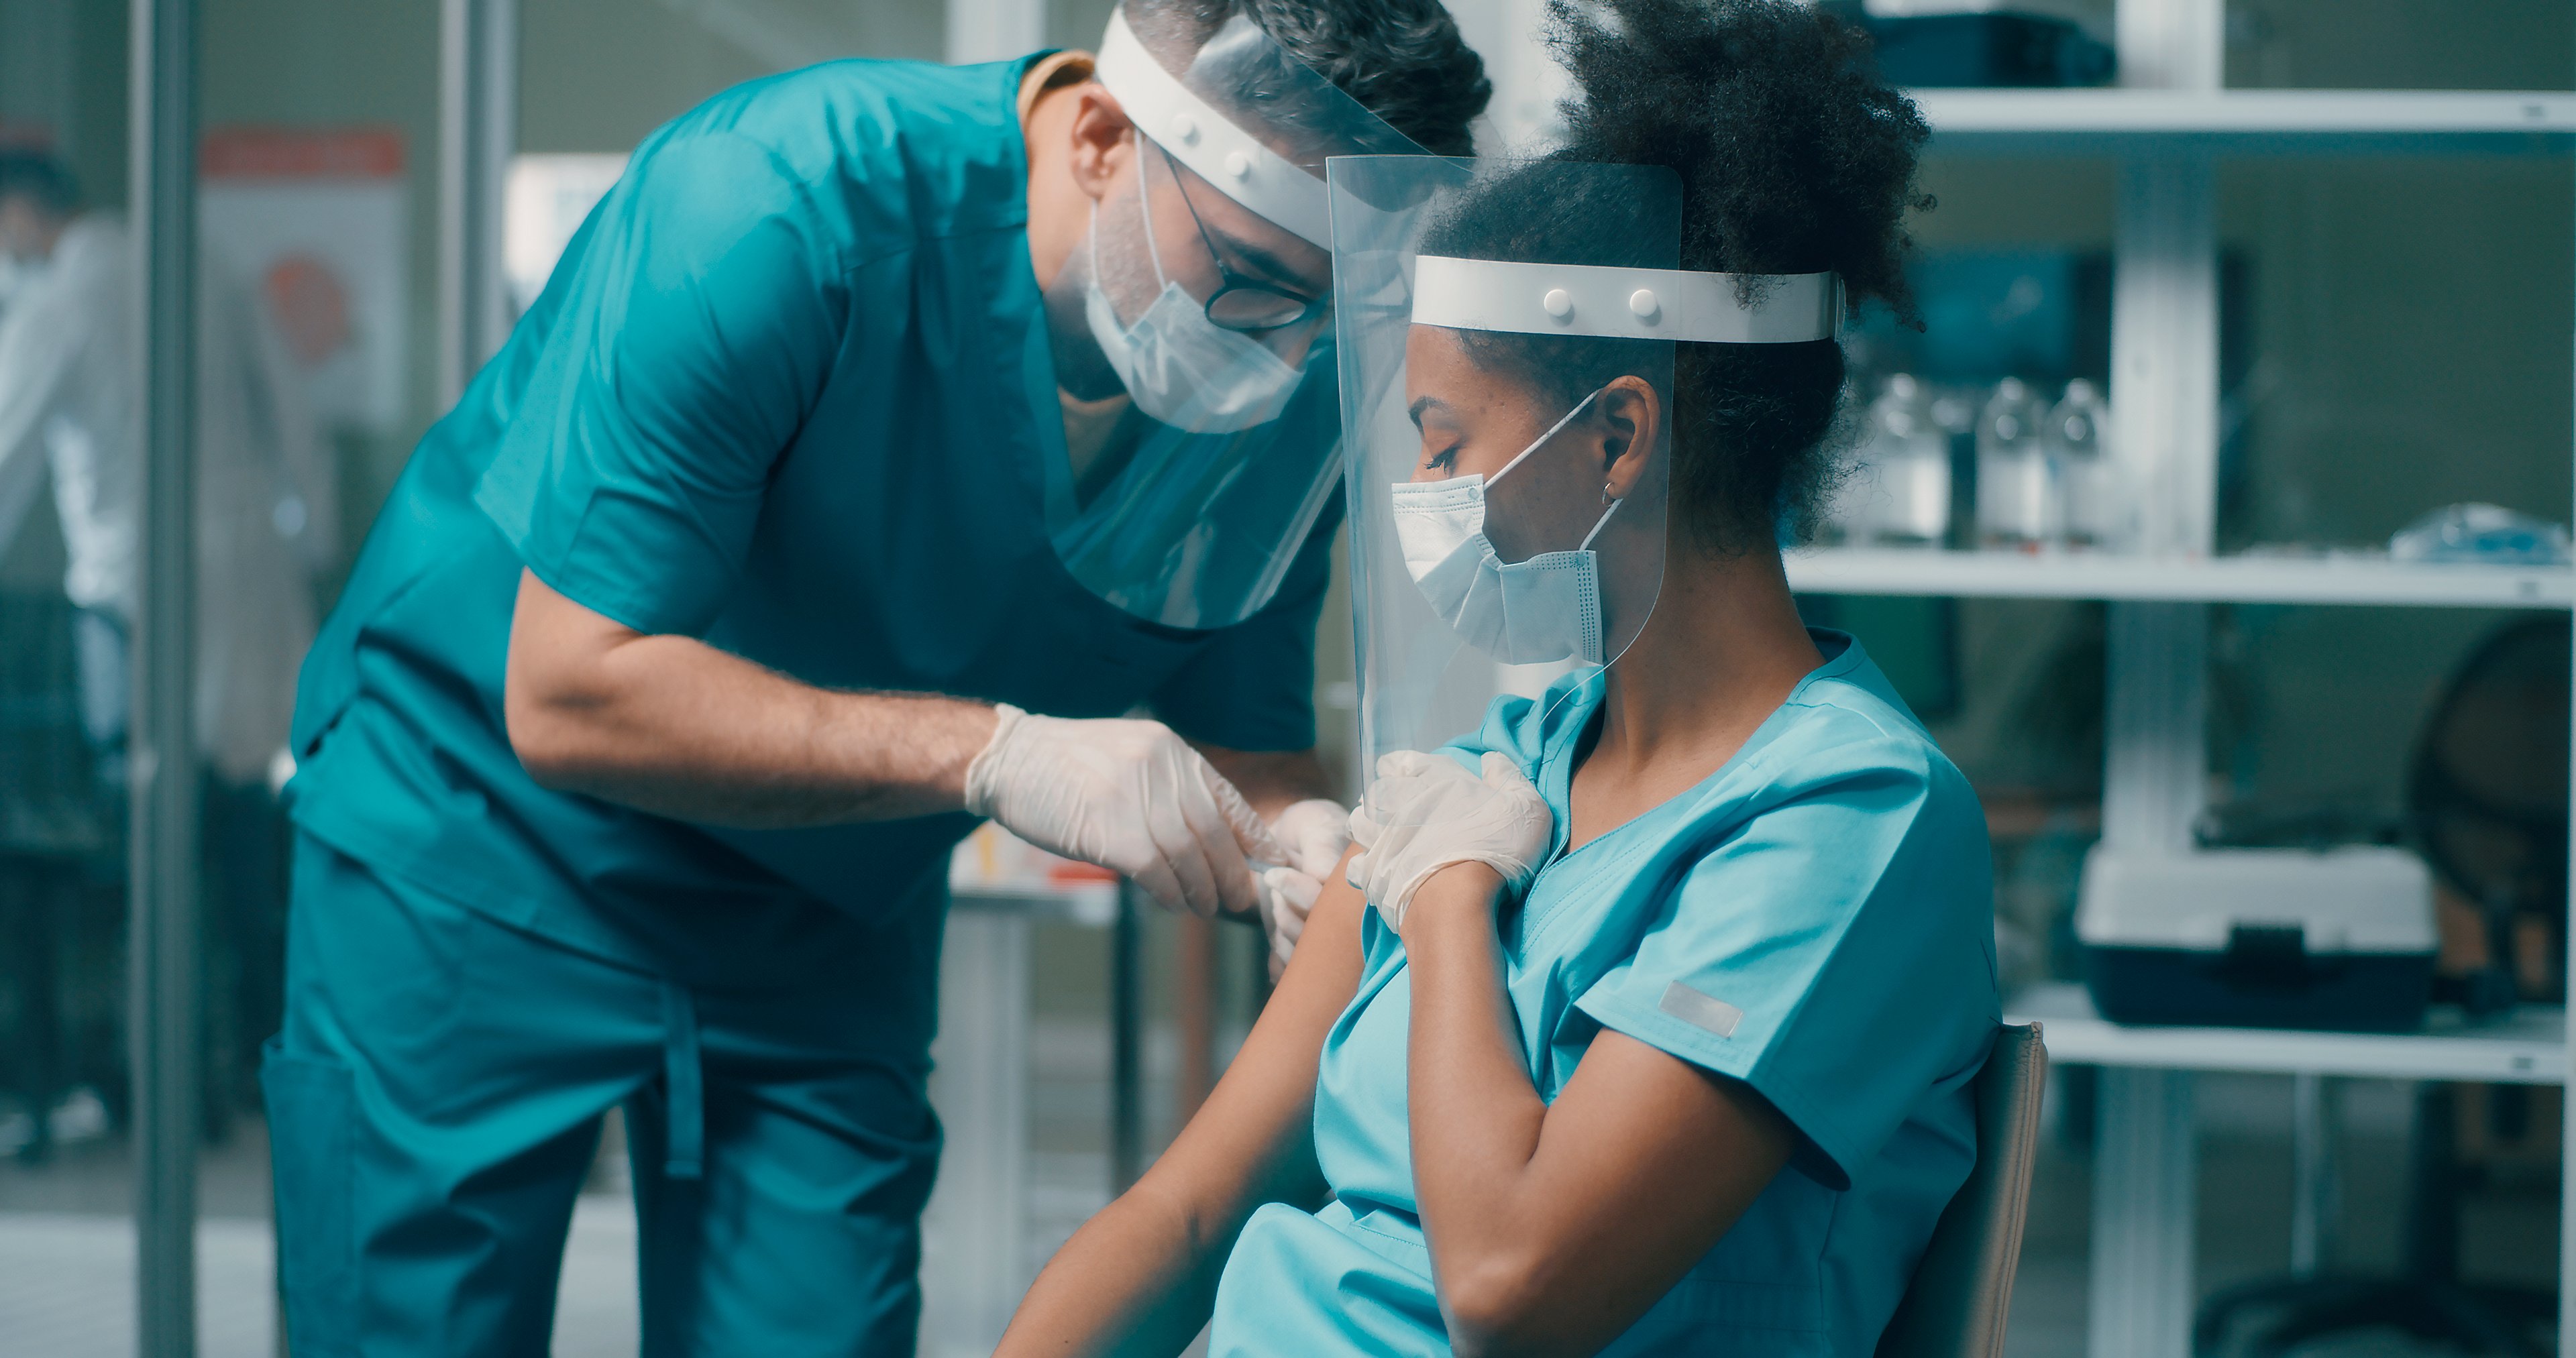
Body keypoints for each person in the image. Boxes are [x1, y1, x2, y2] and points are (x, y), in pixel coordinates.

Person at [265, 4, 1488, 1353]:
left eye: (1330, 309)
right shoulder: (780, 204)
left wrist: (1305, 839)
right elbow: (568, 690)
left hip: (824, 906)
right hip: (479, 848)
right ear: (1097, 137)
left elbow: (1243, 715)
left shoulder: (1279, 377)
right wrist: (1001, 752)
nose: (1286, 354)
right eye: (1257, 278)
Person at [992, 3, 1998, 1355]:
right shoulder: (1505, 764)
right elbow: (1189, 1209)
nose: (1424, 494)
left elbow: (1513, 1284)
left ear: (1621, 435)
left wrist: (1455, 898)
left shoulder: (1852, 823)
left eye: (1450, 441)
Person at [0, 151, 333, 1132]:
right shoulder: (197, 263)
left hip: (137, 602)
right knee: (253, 841)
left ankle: (172, 1085)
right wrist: (308, 541)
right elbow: (295, 415)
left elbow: (5, 446)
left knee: (152, 848)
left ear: (20, 213)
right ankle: (261, 1069)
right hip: (254, 587)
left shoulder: (63, 298)